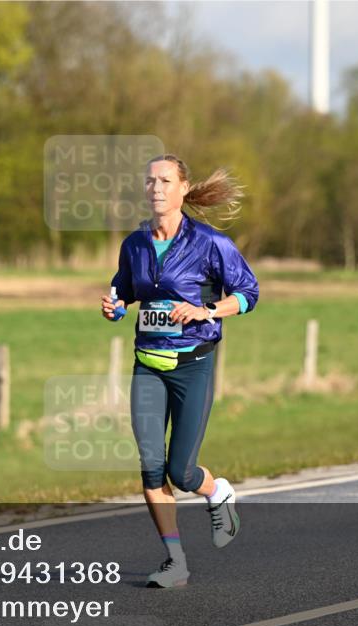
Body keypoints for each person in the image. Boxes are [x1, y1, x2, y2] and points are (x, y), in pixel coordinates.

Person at [102, 154, 258, 588]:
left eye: (165, 181)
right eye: (150, 181)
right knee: (151, 468)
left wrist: (205, 310)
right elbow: (124, 291)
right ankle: (175, 562)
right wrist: (115, 307)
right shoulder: (135, 244)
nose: (156, 188)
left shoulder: (210, 243)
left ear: (184, 188)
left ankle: (217, 492)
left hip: (193, 364)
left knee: (180, 472)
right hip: (147, 367)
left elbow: (248, 293)